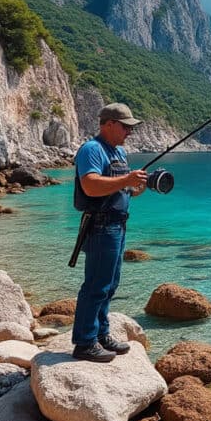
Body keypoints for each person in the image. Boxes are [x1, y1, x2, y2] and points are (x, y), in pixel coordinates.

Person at [70, 103, 148, 362]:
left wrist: (136, 187)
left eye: (130, 127)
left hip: (117, 224)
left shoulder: (119, 152)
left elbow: (119, 188)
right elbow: (90, 185)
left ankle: (101, 334)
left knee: (110, 284)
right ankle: (84, 343)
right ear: (108, 124)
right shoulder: (92, 150)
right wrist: (126, 180)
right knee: (96, 285)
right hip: (101, 226)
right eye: (125, 126)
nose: (129, 132)